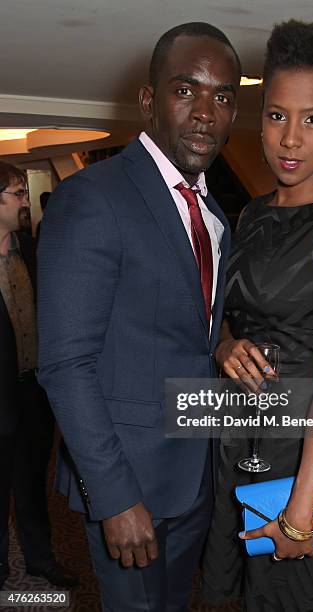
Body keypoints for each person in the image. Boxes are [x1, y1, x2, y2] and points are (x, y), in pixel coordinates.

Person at [37, 22, 241, 612]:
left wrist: (222, 340)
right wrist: (115, 497)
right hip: (131, 487)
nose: (206, 112)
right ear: (149, 100)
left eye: (223, 96)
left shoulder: (212, 212)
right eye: (186, 91)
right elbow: (65, 365)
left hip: (194, 467)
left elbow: (186, 326)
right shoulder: (93, 198)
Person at [202, 20, 313, 612]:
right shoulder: (251, 215)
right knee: (255, 595)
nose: (289, 138)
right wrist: (226, 343)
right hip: (246, 430)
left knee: (294, 596)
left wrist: (300, 513)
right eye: (278, 115)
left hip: (309, 450)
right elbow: (227, 314)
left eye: (312, 119)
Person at [0, 161, 77, 590]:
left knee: (33, 484)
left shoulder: (32, 249)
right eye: (16, 193)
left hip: (35, 392)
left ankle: (40, 559)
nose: (25, 201)